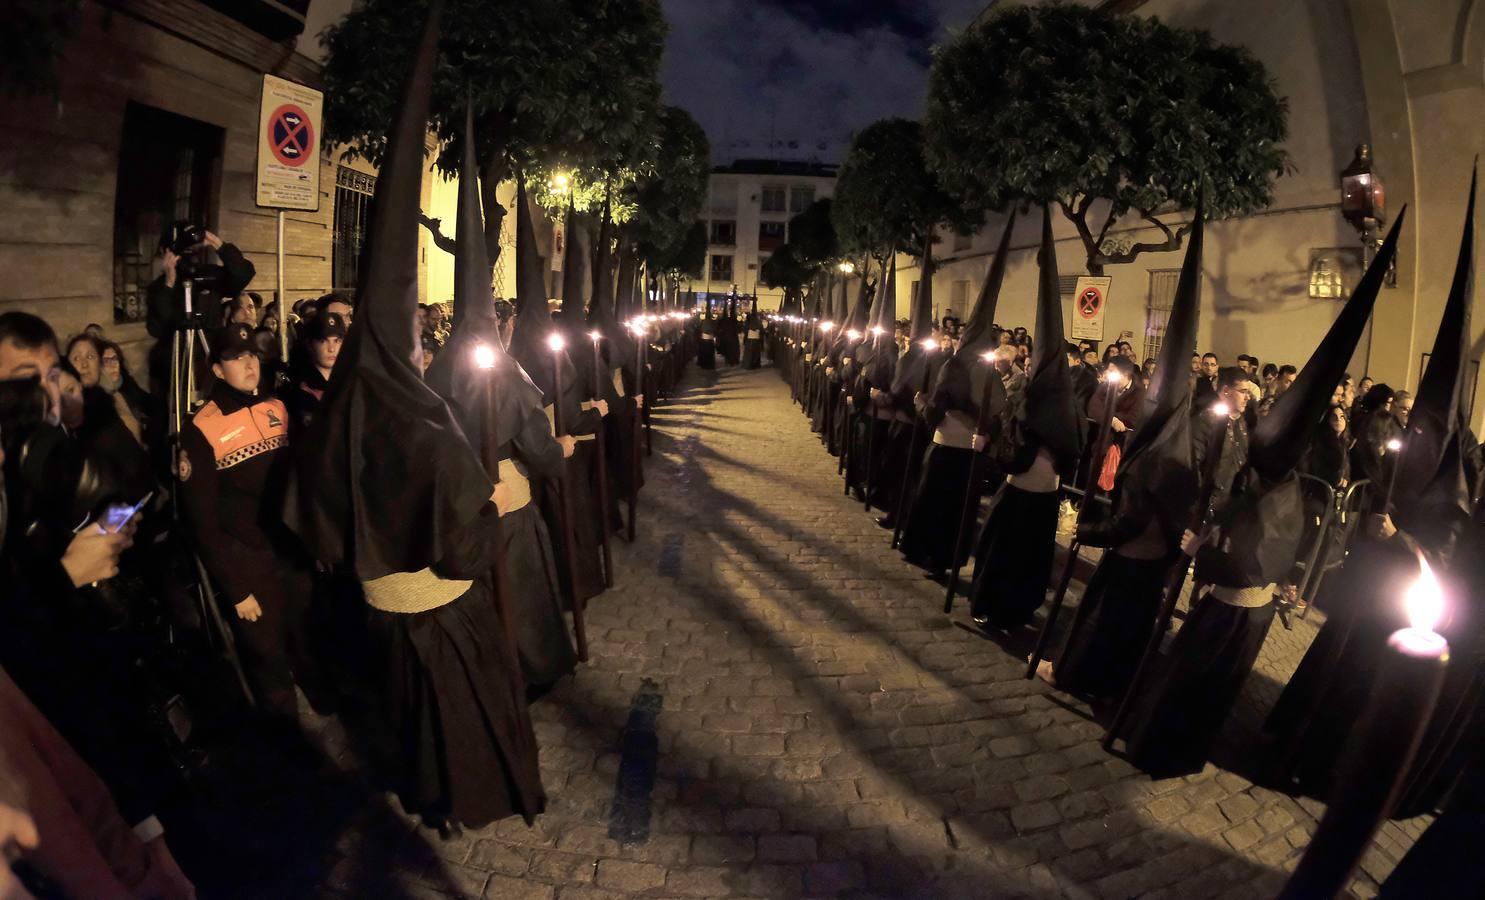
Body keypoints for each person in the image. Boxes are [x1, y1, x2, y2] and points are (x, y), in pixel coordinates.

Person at [283, 12, 544, 835]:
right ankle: (459, 799)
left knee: (399, 717)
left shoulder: (336, 416)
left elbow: (313, 525)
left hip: (374, 610)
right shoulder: (427, 430)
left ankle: (425, 790)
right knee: (459, 727)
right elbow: (464, 538)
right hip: (437, 610)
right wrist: (487, 509)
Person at [1117, 211, 1402, 778]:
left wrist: (1204, 550)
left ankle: (1161, 748)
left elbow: (1246, 552)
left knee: (1192, 684)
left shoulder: (1271, 487)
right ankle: (1179, 748)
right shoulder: (1279, 483)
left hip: (1233, 611)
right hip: (1248, 611)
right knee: (1210, 689)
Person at [180, 323, 333, 723]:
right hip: (247, 559)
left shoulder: (277, 407)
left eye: (252, 356)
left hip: (290, 552)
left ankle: (325, 704)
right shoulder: (201, 429)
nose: (249, 364)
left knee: (307, 635)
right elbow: (202, 521)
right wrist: (235, 590)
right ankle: (288, 739)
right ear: (217, 369)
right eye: (236, 358)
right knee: (267, 655)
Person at [968, 210, 1085, 630]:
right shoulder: (1067, 409)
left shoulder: (1035, 402)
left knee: (1003, 553)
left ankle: (997, 608)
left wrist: (990, 446)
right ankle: (1016, 611)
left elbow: (1012, 452)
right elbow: (1074, 453)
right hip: (1045, 498)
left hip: (1023, 496)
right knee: (1030, 560)